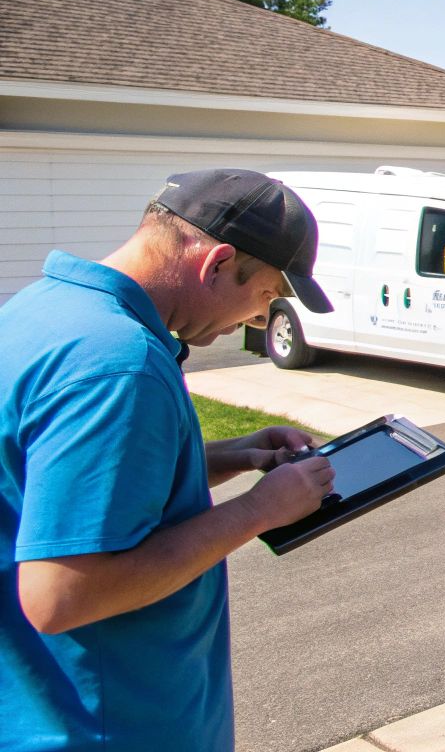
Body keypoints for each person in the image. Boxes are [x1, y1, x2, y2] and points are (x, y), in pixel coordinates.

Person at [1, 169, 338, 751]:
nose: (260, 319)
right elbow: (62, 595)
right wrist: (258, 511)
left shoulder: (41, 310)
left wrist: (226, 455)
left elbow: (65, 485)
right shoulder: (117, 364)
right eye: (265, 295)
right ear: (216, 263)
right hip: (109, 725)